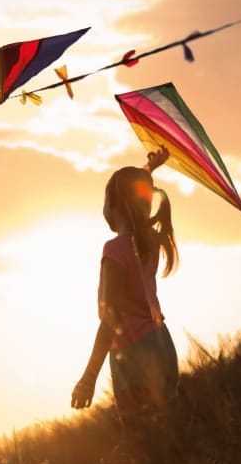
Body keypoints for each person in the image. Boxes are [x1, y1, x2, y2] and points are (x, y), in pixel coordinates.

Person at [71, 145, 180, 433]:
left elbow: (111, 319)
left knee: (145, 443)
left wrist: (88, 377)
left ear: (114, 204)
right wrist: (148, 171)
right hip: (161, 345)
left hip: (134, 354)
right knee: (167, 434)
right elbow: (135, 200)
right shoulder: (150, 242)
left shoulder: (115, 250)